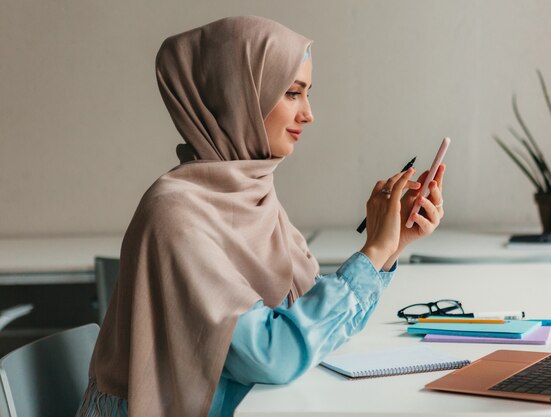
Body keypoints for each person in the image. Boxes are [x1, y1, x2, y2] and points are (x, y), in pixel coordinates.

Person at [76, 15, 445, 417]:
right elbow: (275, 355)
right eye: (292, 93)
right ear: (239, 96)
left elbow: (307, 318)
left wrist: (389, 247)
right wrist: (371, 254)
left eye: (307, 94)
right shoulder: (175, 214)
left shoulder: (250, 191)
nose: (308, 114)